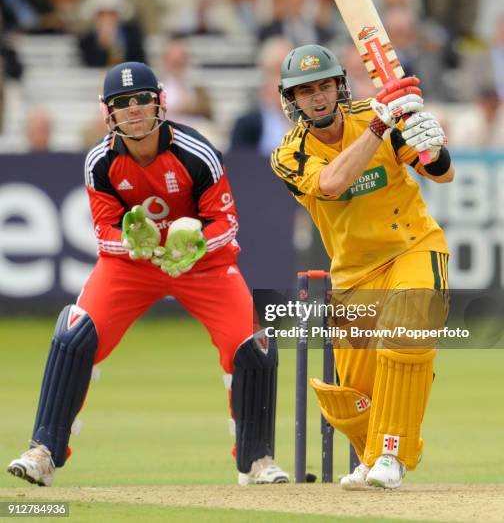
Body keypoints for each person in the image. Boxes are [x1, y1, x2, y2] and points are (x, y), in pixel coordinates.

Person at [7, 61, 288, 487]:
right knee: (75, 333)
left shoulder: (196, 152)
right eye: (123, 103)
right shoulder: (100, 162)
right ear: (109, 112)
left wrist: (192, 244)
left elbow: (225, 223)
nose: (134, 109)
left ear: (160, 101)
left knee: (253, 343)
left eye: (141, 99)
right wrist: (136, 243)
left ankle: (256, 461)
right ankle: (44, 451)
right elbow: (105, 232)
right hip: (133, 267)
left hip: (202, 265)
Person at [271, 44, 453, 490]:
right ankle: (370, 455)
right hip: (353, 273)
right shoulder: (288, 154)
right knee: (354, 394)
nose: (317, 97)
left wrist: (430, 142)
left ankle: (391, 454)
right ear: (291, 100)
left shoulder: (379, 117)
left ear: (339, 86)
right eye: (306, 91)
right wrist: (379, 125)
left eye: (325, 86)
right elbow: (332, 184)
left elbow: (441, 173)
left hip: (413, 246)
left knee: (406, 336)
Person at [231, 37, 293, 156]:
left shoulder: (311, 119)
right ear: (264, 74)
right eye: (277, 71)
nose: (285, 80)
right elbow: (239, 165)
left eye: (290, 72)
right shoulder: (246, 124)